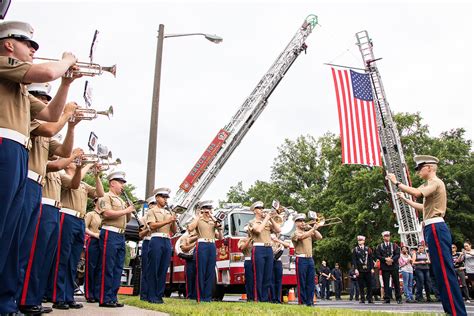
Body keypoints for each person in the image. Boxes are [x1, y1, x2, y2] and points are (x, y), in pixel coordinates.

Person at [0, 20, 78, 314]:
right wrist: (65, 61)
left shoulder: (20, 88)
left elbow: (49, 114)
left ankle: (6, 303)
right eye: (27, 45)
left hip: (17, 153)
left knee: (12, 236)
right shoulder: (4, 64)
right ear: (9, 44)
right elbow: (46, 71)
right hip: (4, 145)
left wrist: (67, 83)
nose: (33, 51)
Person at [18, 85, 80, 314]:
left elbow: (63, 152)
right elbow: (59, 161)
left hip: (40, 192)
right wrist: (65, 114)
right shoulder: (29, 120)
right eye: (41, 98)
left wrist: (71, 127)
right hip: (28, 184)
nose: (45, 103)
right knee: (26, 247)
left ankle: (29, 297)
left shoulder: (43, 130)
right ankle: (20, 297)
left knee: (40, 252)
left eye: (47, 99)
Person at [388, 154, 467, 315]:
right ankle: (450, 310)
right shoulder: (431, 185)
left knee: (444, 272)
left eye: (420, 168)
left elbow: (417, 193)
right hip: (432, 227)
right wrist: (404, 199)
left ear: (429, 167)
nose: (418, 172)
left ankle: (456, 312)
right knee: (439, 272)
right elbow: (423, 207)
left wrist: (396, 182)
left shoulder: (435, 182)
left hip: (436, 227)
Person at [52, 159, 104, 309]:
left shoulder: (82, 183)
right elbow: (74, 182)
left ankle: (68, 296)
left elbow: (100, 194)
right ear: (67, 164)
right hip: (67, 217)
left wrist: (97, 175)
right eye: (74, 161)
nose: (76, 162)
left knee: (74, 261)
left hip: (79, 220)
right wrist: (87, 165)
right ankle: (58, 296)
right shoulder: (63, 176)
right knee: (63, 258)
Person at [97, 170, 135, 308]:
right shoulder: (105, 197)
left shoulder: (121, 200)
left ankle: (113, 297)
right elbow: (107, 213)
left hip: (120, 235)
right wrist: (125, 210)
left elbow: (127, 219)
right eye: (120, 182)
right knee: (108, 266)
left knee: (118, 268)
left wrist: (129, 210)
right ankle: (104, 298)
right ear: (112, 183)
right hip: (110, 232)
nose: (122, 185)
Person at [188, 200, 224, 302]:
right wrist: (198, 216)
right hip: (202, 244)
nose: (208, 211)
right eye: (206, 209)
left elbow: (220, 237)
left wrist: (214, 220)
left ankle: (207, 297)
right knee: (201, 270)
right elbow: (190, 228)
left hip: (212, 245)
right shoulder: (199, 220)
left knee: (210, 272)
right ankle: (200, 296)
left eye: (209, 209)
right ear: (202, 210)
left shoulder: (213, 222)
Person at [146, 187, 177, 304]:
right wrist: (168, 221)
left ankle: (159, 295)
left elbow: (174, 231)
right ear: (157, 197)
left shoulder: (168, 212)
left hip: (166, 240)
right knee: (154, 268)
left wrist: (173, 220)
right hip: (156, 239)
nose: (165, 200)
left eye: (166, 198)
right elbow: (152, 226)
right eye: (163, 197)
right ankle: (151, 295)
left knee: (163, 269)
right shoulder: (152, 211)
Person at [247, 201, 280, 302]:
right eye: (260, 209)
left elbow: (278, 230)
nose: (262, 210)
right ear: (255, 210)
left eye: (262, 208)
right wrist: (266, 218)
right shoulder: (252, 222)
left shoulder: (267, 221)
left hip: (269, 248)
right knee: (259, 275)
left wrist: (270, 218)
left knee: (267, 275)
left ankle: (265, 298)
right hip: (258, 248)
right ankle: (258, 298)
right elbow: (258, 230)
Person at [291, 213, 322, 306]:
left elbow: (320, 237)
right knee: (302, 282)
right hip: (301, 259)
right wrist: (313, 228)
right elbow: (301, 237)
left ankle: (310, 301)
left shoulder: (308, 231)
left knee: (311, 282)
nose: (303, 222)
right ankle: (302, 302)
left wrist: (313, 228)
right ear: (296, 223)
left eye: (303, 221)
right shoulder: (295, 233)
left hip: (310, 259)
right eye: (300, 221)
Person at [84, 198, 102, 303]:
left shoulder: (105, 215)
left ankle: (97, 293)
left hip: (103, 242)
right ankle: (89, 294)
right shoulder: (91, 214)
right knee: (91, 267)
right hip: (93, 240)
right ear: (95, 202)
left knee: (100, 268)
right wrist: (94, 234)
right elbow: (84, 227)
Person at [376, 231, 402, 304]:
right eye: (385, 236)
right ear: (383, 237)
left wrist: (392, 260)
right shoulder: (380, 246)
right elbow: (378, 255)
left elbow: (397, 254)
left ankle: (398, 298)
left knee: (396, 282)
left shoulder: (394, 245)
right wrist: (385, 259)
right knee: (386, 283)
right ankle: (387, 298)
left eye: (388, 236)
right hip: (385, 266)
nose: (387, 237)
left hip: (394, 266)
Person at [138, 196, 155, 301]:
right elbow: (140, 234)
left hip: (157, 241)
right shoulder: (143, 219)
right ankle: (144, 295)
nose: (154, 206)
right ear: (149, 206)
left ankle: (154, 294)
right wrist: (148, 228)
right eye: (152, 204)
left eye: (155, 203)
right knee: (146, 269)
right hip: (147, 241)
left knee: (155, 269)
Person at [352, 235, 374, 304]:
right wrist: (356, 269)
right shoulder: (355, 250)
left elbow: (370, 259)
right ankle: (362, 298)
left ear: (364, 241)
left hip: (367, 269)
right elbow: (354, 260)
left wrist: (372, 268)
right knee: (361, 285)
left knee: (369, 284)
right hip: (360, 269)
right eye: (359, 240)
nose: (360, 241)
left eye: (361, 240)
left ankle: (370, 298)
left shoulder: (368, 249)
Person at [271, 233, 290, 303]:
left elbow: (287, 245)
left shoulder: (279, 242)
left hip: (278, 262)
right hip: (270, 262)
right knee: (271, 281)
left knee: (278, 281)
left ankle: (278, 299)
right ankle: (273, 298)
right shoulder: (269, 240)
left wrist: (278, 240)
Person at [180, 228, 198, 300]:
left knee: (199, 278)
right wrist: (194, 245)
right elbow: (183, 248)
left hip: (199, 258)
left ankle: (197, 296)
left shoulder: (201, 236)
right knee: (190, 279)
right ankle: (190, 296)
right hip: (190, 260)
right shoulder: (185, 237)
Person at [238, 235, 253, 302]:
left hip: (257, 261)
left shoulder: (257, 239)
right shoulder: (242, 240)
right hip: (248, 261)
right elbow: (242, 248)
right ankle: (250, 297)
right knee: (249, 280)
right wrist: (249, 239)